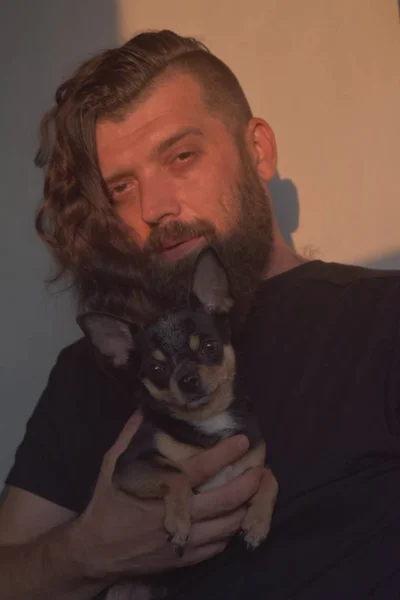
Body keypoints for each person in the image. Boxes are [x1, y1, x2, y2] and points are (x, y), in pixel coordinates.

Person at [1, 29, 400, 600]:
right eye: (122, 187)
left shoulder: (384, 318)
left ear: (257, 149)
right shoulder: (89, 371)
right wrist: (85, 554)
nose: (153, 207)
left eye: (181, 155)